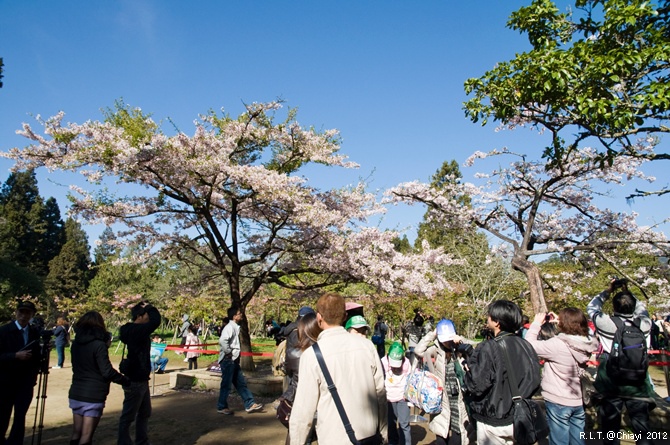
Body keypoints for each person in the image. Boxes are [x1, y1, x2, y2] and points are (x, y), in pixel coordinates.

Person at [289, 293, 387, 445]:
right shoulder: (367, 346)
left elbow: (303, 413)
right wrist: (383, 431)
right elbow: (380, 392)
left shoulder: (312, 356)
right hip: (369, 436)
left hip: (334, 437)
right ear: (345, 316)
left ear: (319, 317)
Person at [587, 280, 655, 445]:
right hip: (638, 383)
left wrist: (608, 291)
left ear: (614, 307)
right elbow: (642, 309)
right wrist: (628, 292)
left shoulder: (607, 324)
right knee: (642, 430)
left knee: (610, 431)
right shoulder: (645, 324)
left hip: (611, 382)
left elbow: (592, 308)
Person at [464, 299, 541, 444]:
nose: (487, 318)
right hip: (520, 415)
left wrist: (469, 371)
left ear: (497, 322)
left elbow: (477, 385)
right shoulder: (526, 345)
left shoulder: (489, 347)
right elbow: (535, 378)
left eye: (489, 316)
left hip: (494, 417)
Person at [525, 309, 599, 445]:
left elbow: (529, 345)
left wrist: (536, 324)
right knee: (577, 440)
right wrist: (563, 319)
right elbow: (586, 330)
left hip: (558, 399)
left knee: (559, 440)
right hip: (577, 399)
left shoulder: (558, 344)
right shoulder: (587, 343)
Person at [69, 311, 129, 445]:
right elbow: (106, 371)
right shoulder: (98, 345)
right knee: (86, 436)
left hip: (77, 391)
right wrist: (124, 380)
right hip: (94, 393)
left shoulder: (76, 344)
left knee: (76, 433)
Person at [415, 319, 476, 445]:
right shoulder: (436, 349)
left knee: (458, 435)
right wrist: (432, 334)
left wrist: (461, 342)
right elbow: (418, 351)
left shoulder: (460, 347)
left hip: (459, 399)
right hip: (442, 399)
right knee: (441, 435)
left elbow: (477, 350)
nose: (447, 342)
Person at [117, 301, 161, 445]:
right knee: (129, 415)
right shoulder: (137, 330)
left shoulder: (130, 330)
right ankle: (124, 441)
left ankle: (141, 441)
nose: (148, 318)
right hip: (136, 378)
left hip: (140, 377)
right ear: (140, 316)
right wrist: (149, 307)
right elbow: (156, 321)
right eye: (146, 315)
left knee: (144, 413)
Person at [0, 301, 41, 445]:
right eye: (21, 312)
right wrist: (14, 356)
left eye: (27, 313)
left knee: (20, 415)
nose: (23, 316)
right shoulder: (4, 331)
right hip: (5, 381)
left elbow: (36, 357)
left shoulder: (34, 332)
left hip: (25, 381)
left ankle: (15, 442)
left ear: (32, 315)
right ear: (16, 313)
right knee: (3, 414)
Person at [279, 309, 321, 445]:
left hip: (297, 395)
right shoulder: (321, 353)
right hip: (317, 400)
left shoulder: (292, 352)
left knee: (298, 431)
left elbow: (289, 372)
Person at [217, 306, 263, 415]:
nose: (241, 315)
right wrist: (229, 352)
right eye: (239, 313)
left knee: (240, 383)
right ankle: (221, 406)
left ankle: (250, 403)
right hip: (228, 360)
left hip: (233, 360)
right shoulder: (229, 327)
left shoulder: (234, 327)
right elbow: (223, 340)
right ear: (234, 316)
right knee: (226, 385)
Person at [381, 341, 412, 445]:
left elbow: (410, 380)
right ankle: (393, 442)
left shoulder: (407, 363)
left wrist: (408, 397)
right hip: (388, 398)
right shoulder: (383, 362)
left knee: (404, 424)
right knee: (390, 424)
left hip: (403, 397)